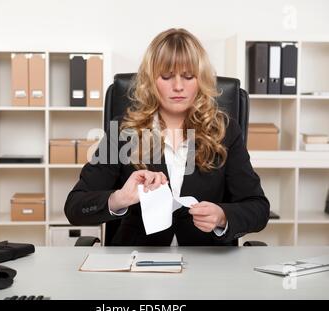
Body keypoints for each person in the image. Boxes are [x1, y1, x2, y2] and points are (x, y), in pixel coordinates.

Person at [64, 28, 269, 246]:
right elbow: (75, 207)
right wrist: (119, 198)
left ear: (201, 80)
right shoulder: (123, 131)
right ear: (151, 80)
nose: (178, 86)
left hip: (207, 263)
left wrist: (222, 216)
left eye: (188, 76)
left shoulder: (225, 131)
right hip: (138, 261)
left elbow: (258, 208)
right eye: (167, 76)